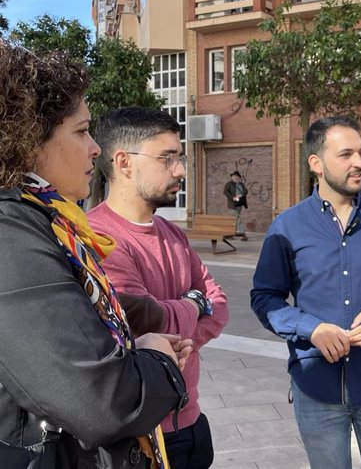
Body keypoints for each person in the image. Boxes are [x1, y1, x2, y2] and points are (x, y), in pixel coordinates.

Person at [0, 42, 191, 468]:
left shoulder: (49, 220)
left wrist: (141, 333)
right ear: (30, 136)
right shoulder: (10, 230)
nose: (95, 149)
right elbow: (103, 401)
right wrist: (156, 357)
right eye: (82, 131)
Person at [251, 116, 361, 469]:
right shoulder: (287, 226)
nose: (360, 163)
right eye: (346, 154)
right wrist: (311, 329)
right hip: (315, 385)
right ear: (316, 163)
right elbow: (265, 297)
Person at [88, 107, 230, 469]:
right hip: (142, 437)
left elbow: (220, 304)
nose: (180, 169)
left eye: (180, 158)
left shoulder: (173, 234)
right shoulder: (97, 238)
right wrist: (194, 304)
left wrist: (180, 332)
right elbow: (142, 321)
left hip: (193, 422)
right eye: (168, 158)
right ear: (124, 162)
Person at [223, 170, 248, 240]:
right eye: (233, 177)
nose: (234, 178)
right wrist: (233, 197)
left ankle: (230, 234)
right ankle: (243, 233)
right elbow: (225, 192)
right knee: (237, 218)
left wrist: (241, 195)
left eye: (236, 177)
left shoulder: (241, 184)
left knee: (234, 219)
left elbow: (246, 191)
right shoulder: (229, 184)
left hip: (239, 204)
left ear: (239, 178)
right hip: (232, 204)